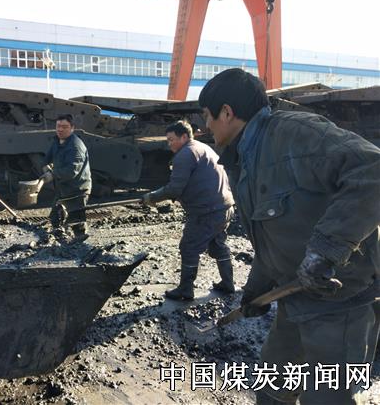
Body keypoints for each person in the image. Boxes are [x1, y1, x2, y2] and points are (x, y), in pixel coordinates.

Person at [198, 68, 380, 405]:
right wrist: (256, 289)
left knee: (327, 399)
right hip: (295, 300)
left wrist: (325, 250)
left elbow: (373, 171)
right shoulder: (244, 159)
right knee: (271, 389)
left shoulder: (297, 135)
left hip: (339, 303)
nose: (206, 126)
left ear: (227, 112)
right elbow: (272, 235)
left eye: (207, 116)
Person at [142, 120, 235, 300]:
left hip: (206, 211)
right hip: (224, 206)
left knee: (189, 247)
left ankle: (185, 290)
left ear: (184, 137)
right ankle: (228, 283)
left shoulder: (184, 154)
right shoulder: (203, 148)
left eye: (171, 140)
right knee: (218, 245)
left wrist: (151, 197)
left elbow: (174, 188)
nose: (169, 144)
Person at [42, 114, 92, 240]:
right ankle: (62, 243)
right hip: (63, 188)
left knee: (77, 224)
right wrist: (45, 166)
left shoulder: (75, 146)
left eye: (64, 127)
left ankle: (79, 246)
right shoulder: (57, 142)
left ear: (72, 128)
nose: (60, 129)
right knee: (55, 219)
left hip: (77, 190)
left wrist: (52, 174)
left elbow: (71, 171)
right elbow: (47, 158)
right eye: (58, 126)